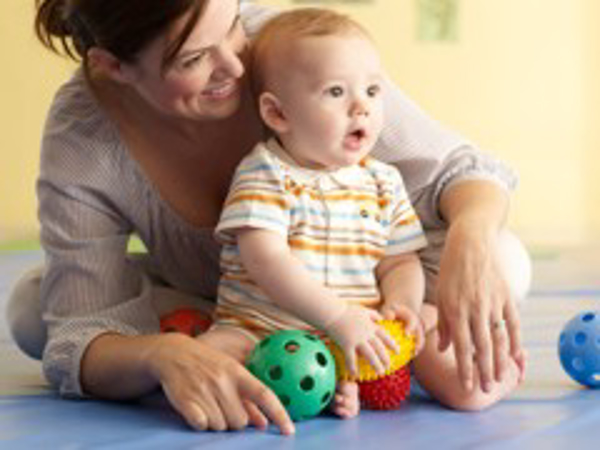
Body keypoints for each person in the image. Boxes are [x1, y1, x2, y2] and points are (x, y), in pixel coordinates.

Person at [6, 0, 531, 435]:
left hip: (352, 285)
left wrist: (469, 239)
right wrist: (158, 357)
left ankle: (300, 350)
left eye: (232, 22)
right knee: (35, 312)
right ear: (112, 66)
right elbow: (79, 327)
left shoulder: (289, 49)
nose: (237, 66)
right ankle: (201, 343)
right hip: (235, 304)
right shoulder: (84, 138)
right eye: (193, 60)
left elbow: (459, 169)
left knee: (502, 258)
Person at [202, 8, 428, 419]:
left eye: (373, 91)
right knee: (211, 355)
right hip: (260, 332)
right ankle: (284, 386)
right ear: (278, 114)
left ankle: (345, 383)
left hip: (352, 337)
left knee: (430, 327)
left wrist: (401, 303)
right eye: (336, 92)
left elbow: (400, 260)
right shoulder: (266, 172)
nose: (361, 107)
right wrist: (337, 315)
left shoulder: (383, 181)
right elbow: (266, 259)